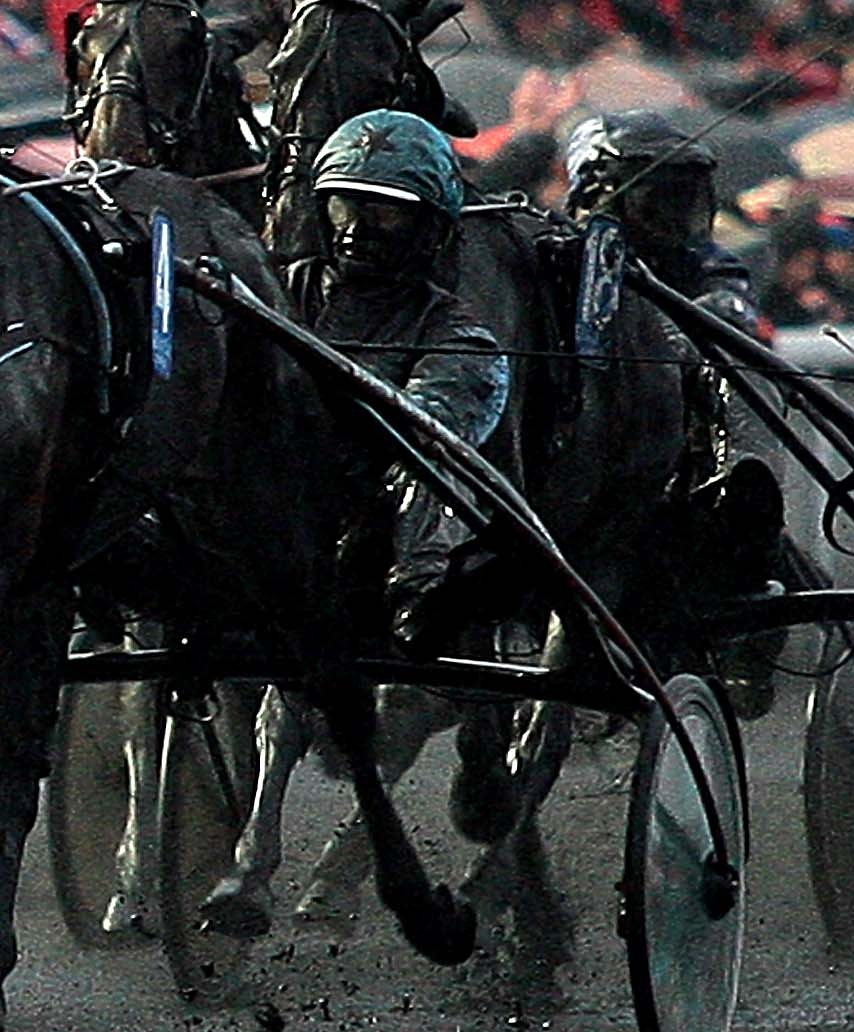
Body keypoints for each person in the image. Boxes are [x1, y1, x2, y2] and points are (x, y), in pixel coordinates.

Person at [304, 109, 511, 646]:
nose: (356, 230)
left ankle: (421, 592)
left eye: (385, 215)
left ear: (430, 228)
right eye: (344, 206)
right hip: (282, 484)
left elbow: (432, 421)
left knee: (427, 456)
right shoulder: (279, 291)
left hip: (374, 503)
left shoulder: (458, 333)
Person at [561, 112, 756, 327]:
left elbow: (732, 305)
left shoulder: (701, 261)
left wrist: (708, 314)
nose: (673, 211)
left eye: (686, 195)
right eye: (657, 197)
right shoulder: (559, 259)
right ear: (593, 197)